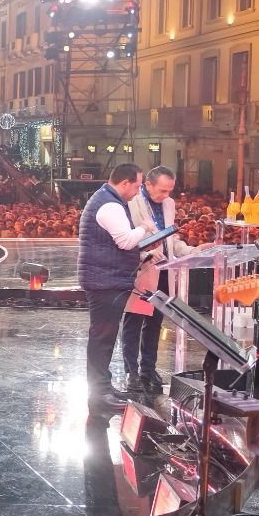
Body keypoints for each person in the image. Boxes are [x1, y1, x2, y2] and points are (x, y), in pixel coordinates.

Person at [78, 163, 152, 413]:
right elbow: (125, 241)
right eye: (137, 186)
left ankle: (103, 386)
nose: (138, 191)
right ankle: (99, 392)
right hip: (104, 281)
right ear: (125, 183)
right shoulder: (110, 205)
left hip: (106, 279)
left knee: (105, 338)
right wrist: (145, 227)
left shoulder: (107, 200)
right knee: (102, 338)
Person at [120, 165, 200, 396]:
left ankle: (148, 369)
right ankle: (131, 371)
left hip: (165, 270)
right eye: (162, 190)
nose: (166, 195)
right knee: (134, 322)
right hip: (143, 269)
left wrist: (192, 251)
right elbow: (127, 239)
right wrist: (145, 254)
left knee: (155, 322)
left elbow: (171, 241)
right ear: (148, 185)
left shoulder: (169, 204)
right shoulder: (132, 202)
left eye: (170, 191)